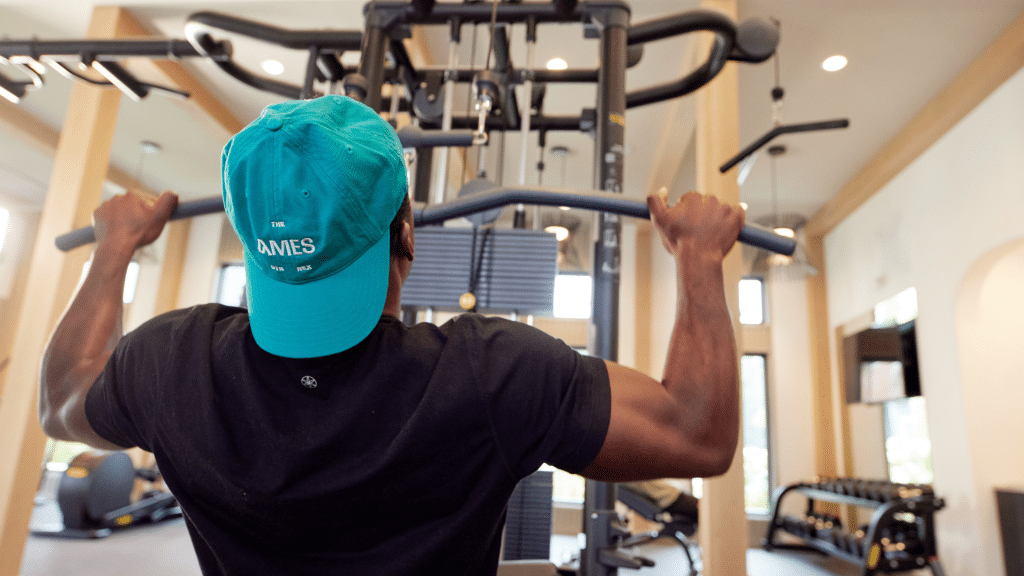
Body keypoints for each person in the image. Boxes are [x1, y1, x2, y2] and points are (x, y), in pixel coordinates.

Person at [39, 95, 744, 575]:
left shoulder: (171, 362)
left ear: (253, 246)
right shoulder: (489, 375)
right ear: (406, 233)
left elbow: (63, 400)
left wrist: (114, 250)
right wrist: (700, 262)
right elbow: (697, 434)